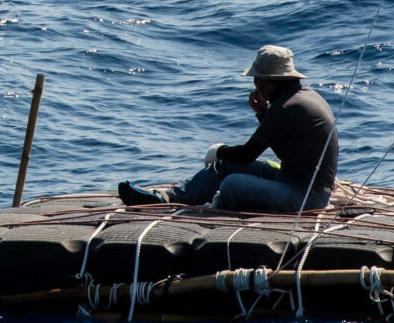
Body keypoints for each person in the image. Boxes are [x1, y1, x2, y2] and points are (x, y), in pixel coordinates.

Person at [117, 45, 338, 213]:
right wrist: (262, 114)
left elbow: (247, 154)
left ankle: (216, 206)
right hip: (294, 181)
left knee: (231, 184)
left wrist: (218, 151)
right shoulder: (303, 97)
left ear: (268, 81)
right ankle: (167, 198)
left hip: (306, 197)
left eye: (257, 80)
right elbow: (286, 148)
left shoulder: (286, 107)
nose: (255, 86)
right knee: (224, 167)